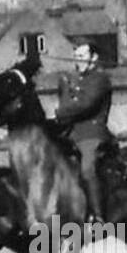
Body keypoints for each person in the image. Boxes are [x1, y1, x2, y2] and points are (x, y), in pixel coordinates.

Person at [51, 42, 115, 224]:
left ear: (93, 57)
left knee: (87, 169)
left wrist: (58, 112)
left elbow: (86, 104)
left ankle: (99, 216)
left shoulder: (100, 78)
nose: (76, 60)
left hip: (91, 133)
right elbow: (65, 103)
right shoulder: (71, 79)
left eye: (81, 56)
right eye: (75, 56)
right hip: (69, 133)